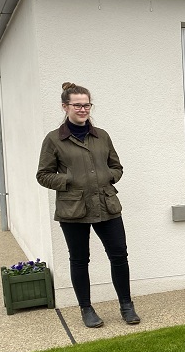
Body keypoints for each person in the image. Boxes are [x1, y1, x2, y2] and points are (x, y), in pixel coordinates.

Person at [36, 82, 139, 329]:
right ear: (65, 107)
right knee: (80, 260)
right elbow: (43, 175)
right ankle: (87, 309)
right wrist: (69, 179)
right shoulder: (53, 139)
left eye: (87, 105)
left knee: (119, 256)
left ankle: (126, 305)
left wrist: (108, 176)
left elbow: (117, 166)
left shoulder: (101, 135)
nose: (83, 109)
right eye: (78, 105)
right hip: (74, 209)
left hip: (107, 204)